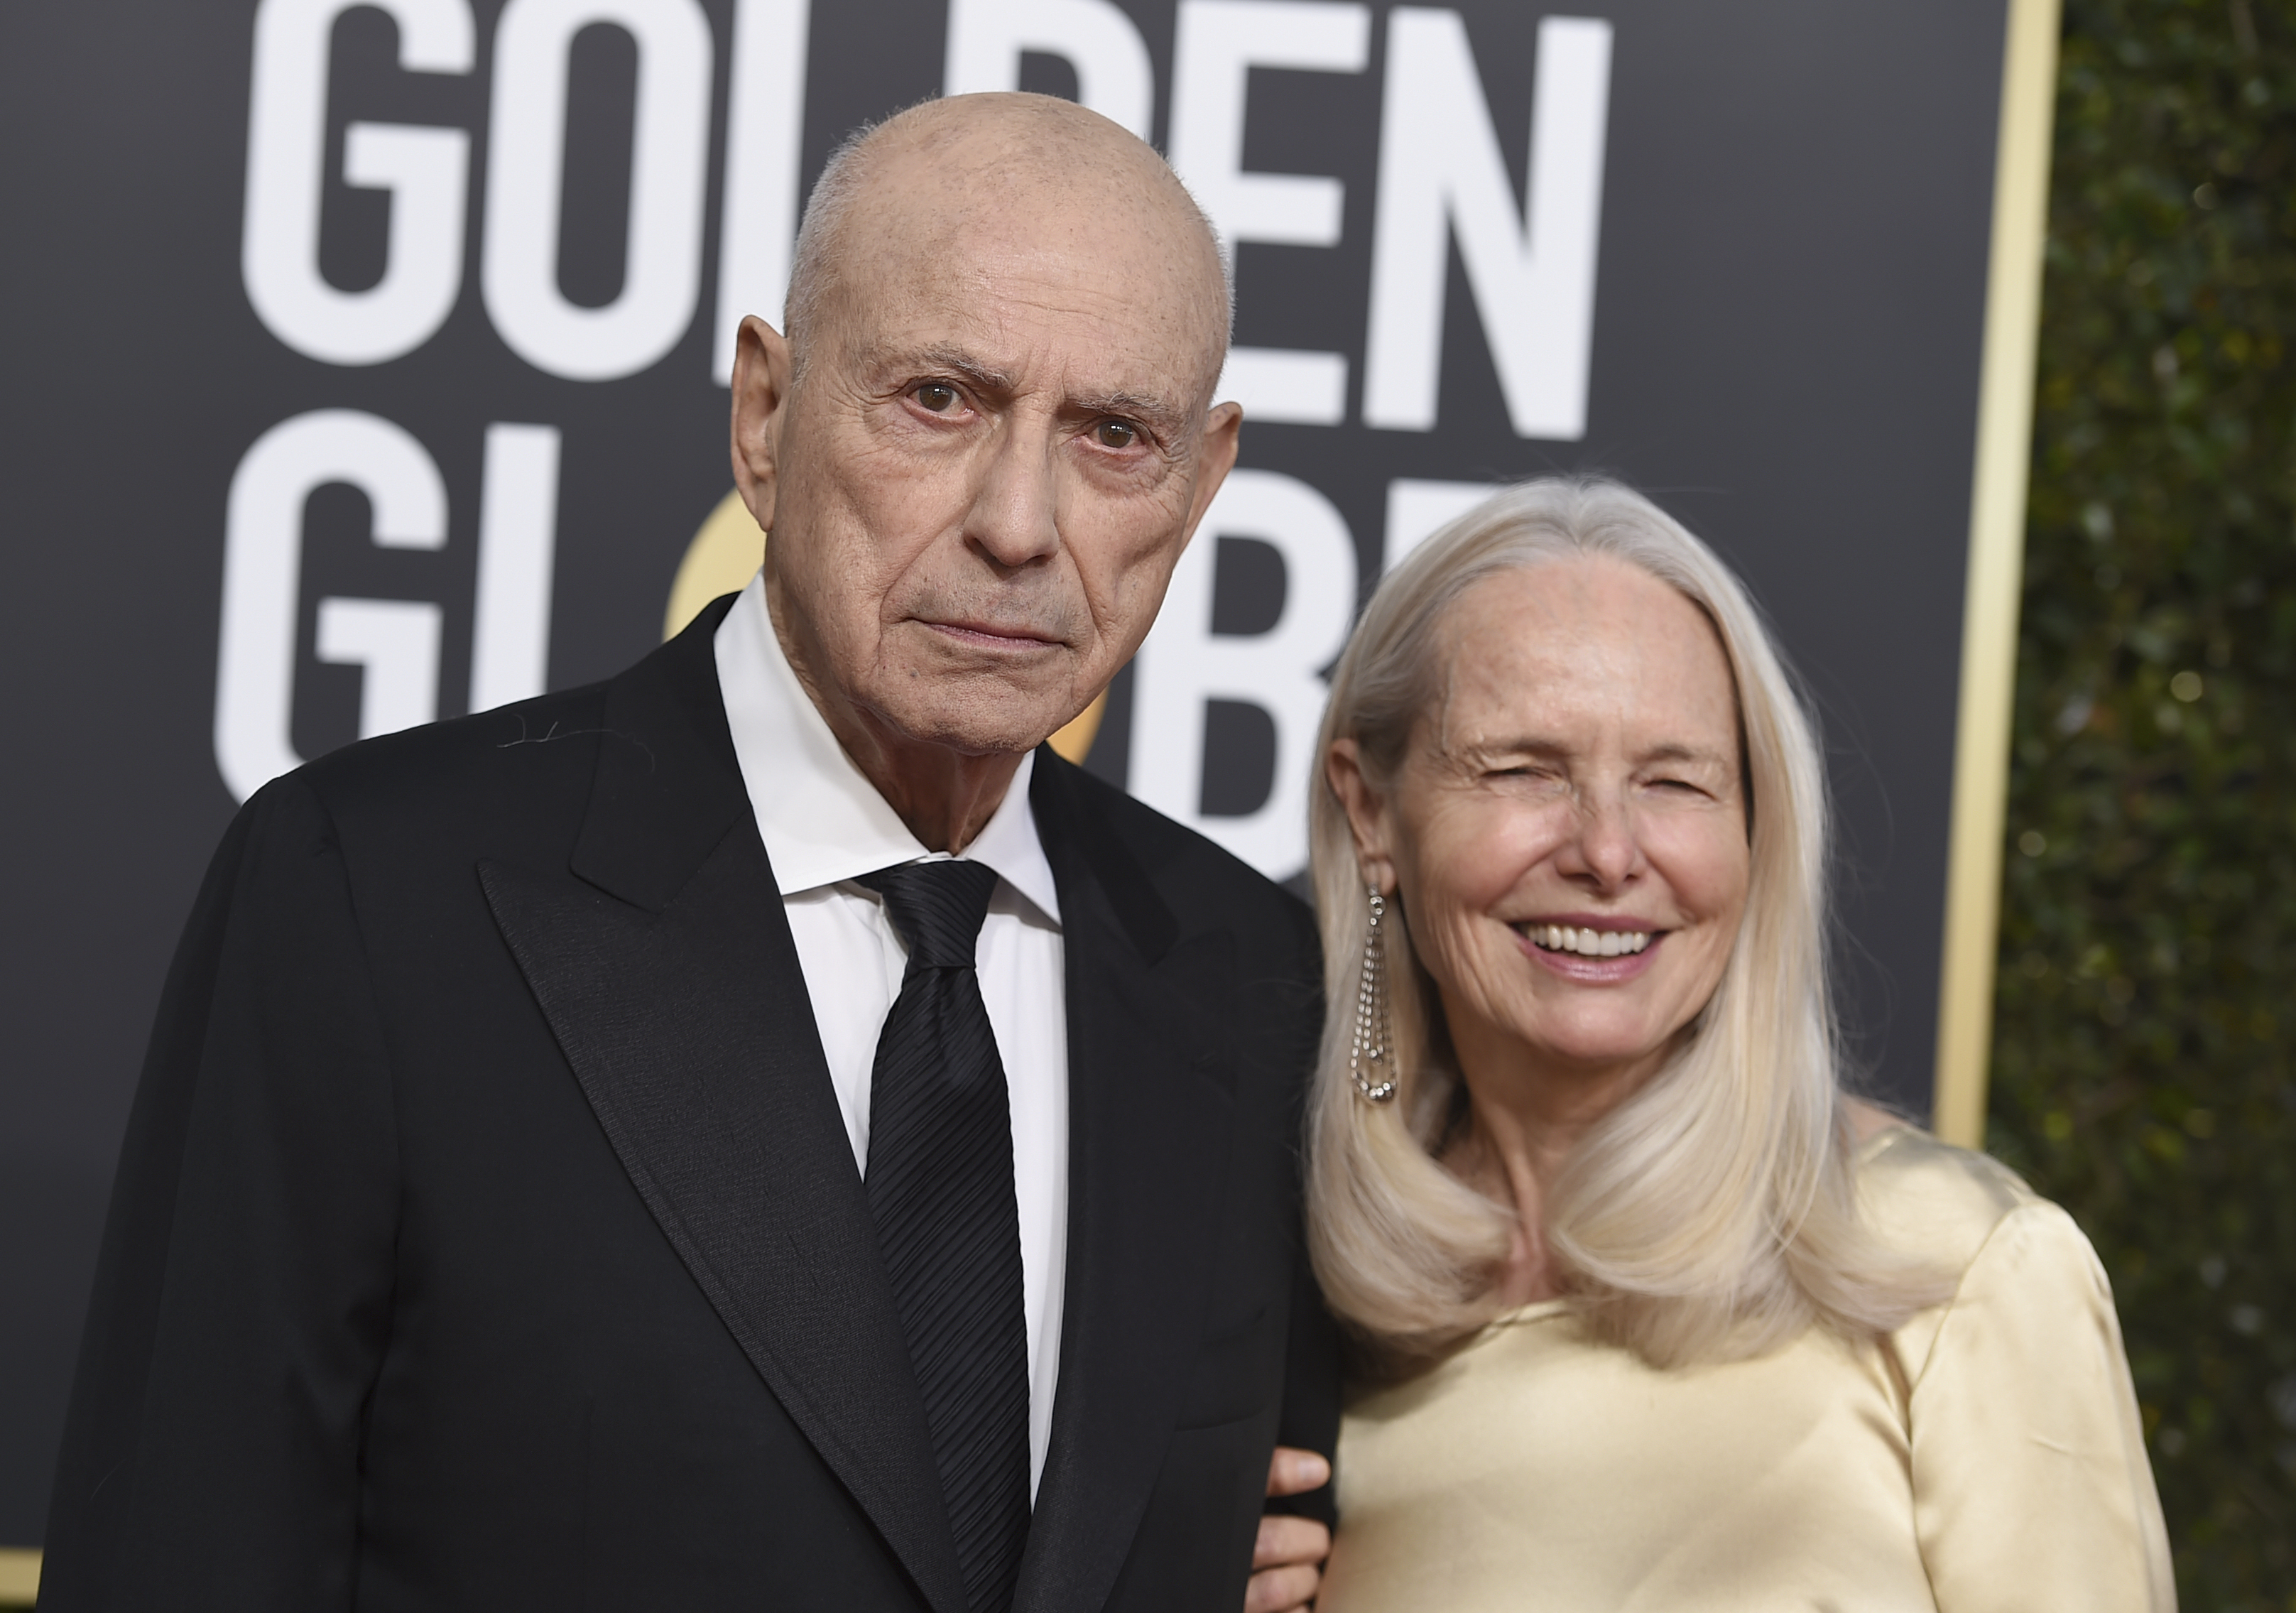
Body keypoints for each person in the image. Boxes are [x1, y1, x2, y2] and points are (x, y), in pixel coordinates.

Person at [41, 94, 1337, 1613]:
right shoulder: (369, 896)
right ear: (766, 416)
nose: (1017, 524)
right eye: (939, 397)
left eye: (1115, 434)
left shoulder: (1254, 979)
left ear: (1199, 482)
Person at [1303, 478, 2175, 1611]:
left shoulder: (1952, 1265)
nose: (1608, 853)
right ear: (1370, 813)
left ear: (1757, 828)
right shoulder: (1289, 1319)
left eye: (1674, 781)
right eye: (1524, 768)